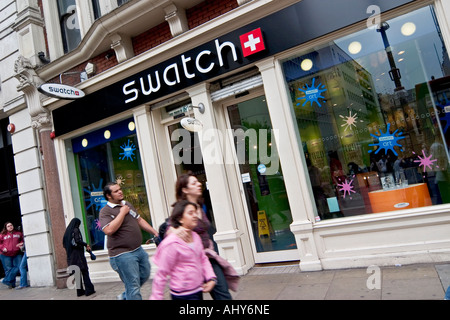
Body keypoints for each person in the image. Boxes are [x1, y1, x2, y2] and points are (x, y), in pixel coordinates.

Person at [169, 172, 238, 300]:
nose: (199, 184)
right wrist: (174, 230)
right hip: (191, 262)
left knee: (223, 295)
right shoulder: (181, 209)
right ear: (185, 189)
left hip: (208, 257)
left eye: (198, 182)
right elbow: (168, 229)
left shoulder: (200, 206)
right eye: (194, 183)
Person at [99, 182, 159, 300]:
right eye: (116, 191)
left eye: (120, 189)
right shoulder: (105, 211)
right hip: (122, 255)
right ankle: (129, 295)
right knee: (133, 286)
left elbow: (139, 220)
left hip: (138, 250)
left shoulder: (127, 204)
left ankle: (125, 296)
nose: (120, 192)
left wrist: (155, 232)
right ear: (108, 196)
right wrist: (122, 213)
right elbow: (109, 230)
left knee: (145, 274)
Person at [150, 200, 216, 300]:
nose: (195, 216)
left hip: (198, 290)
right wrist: (157, 296)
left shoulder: (196, 237)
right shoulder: (172, 243)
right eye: (190, 213)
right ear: (180, 219)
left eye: (195, 212)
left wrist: (211, 278)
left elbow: (203, 259)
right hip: (182, 295)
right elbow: (162, 273)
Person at [62, 218, 96, 297]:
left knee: (77, 274)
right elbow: (77, 240)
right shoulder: (75, 229)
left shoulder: (67, 233)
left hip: (71, 256)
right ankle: (89, 290)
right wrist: (85, 244)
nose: (79, 226)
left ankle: (80, 292)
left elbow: (64, 244)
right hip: (78, 255)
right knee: (85, 271)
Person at [0, 222, 24, 289]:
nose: (10, 227)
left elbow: (23, 240)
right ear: (6, 228)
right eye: (8, 226)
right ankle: (11, 284)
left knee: (19, 267)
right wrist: (2, 248)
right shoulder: (2, 235)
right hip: (5, 255)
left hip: (16, 253)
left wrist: (21, 243)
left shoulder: (18, 233)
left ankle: (6, 280)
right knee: (8, 269)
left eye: (11, 225)